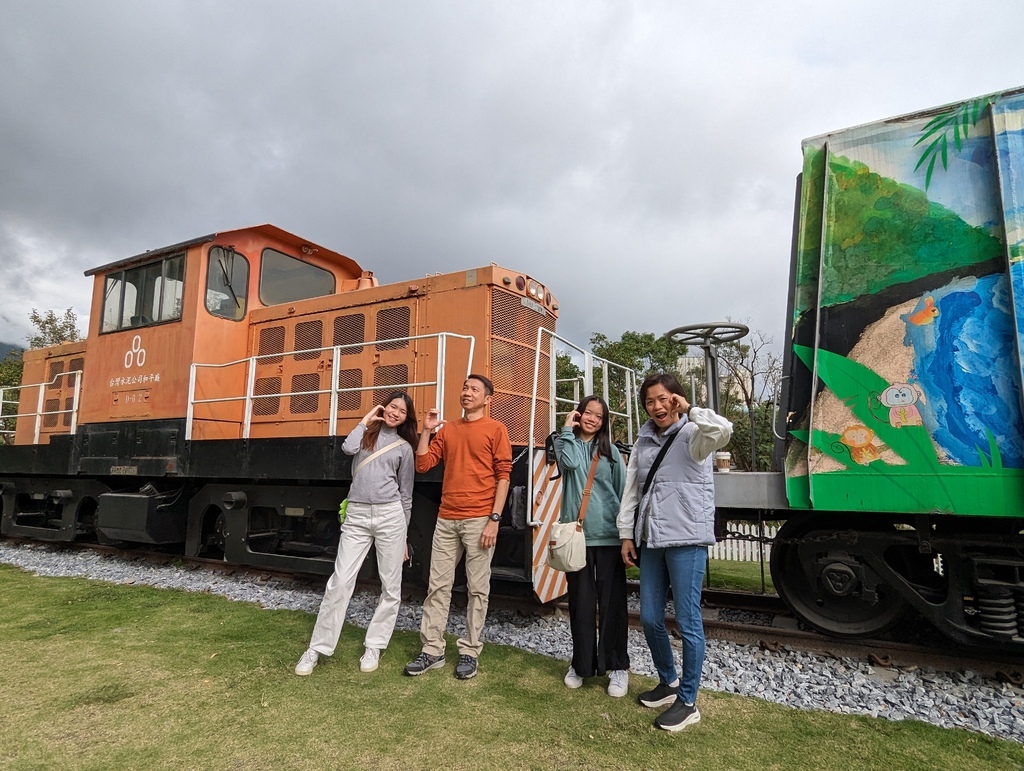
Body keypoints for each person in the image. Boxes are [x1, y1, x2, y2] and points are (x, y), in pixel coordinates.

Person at [617, 373, 732, 732]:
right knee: (650, 617)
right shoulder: (643, 440)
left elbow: (723, 431)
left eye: (664, 399)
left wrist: (691, 410)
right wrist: (626, 535)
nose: (657, 407)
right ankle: (667, 681)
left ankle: (688, 700)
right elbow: (631, 490)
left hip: (686, 540)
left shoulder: (695, 435)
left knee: (687, 621)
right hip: (651, 539)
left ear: (677, 400)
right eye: (650, 401)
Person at [294, 392, 418, 676]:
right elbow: (347, 449)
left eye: (402, 411)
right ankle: (316, 648)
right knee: (340, 581)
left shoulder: (404, 449)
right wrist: (364, 421)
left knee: (391, 586)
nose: (395, 412)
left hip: (391, 517)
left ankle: (374, 644)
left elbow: (406, 496)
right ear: (383, 407)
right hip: (358, 515)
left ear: (406, 418)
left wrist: (404, 537)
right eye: (392, 406)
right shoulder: (364, 437)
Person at [404, 374, 512, 680]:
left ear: (487, 399)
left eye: (474, 389)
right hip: (447, 519)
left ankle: (469, 651)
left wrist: (494, 519)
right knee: (437, 586)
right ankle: (432, 650)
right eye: (464, 387)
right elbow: (423, 464)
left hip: (480, 520)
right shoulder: (448, 429)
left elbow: (503, 475)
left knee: (478, 589)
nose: (466, 392)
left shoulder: (496, 429)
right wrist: (425, 431)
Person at [553, 395, 629, 696]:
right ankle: (581, 665)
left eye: (599, 416)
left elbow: (623, 492)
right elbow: (570, 463)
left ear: (604, 421)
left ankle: (618, 666)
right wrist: (567, 429)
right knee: (581, 605)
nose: (593, 419)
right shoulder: (565, 442)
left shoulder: (610, 451)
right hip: (577, 537)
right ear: (578, 414)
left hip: (608, 536)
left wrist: (626, 534)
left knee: (613, 606)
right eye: (588, 413)